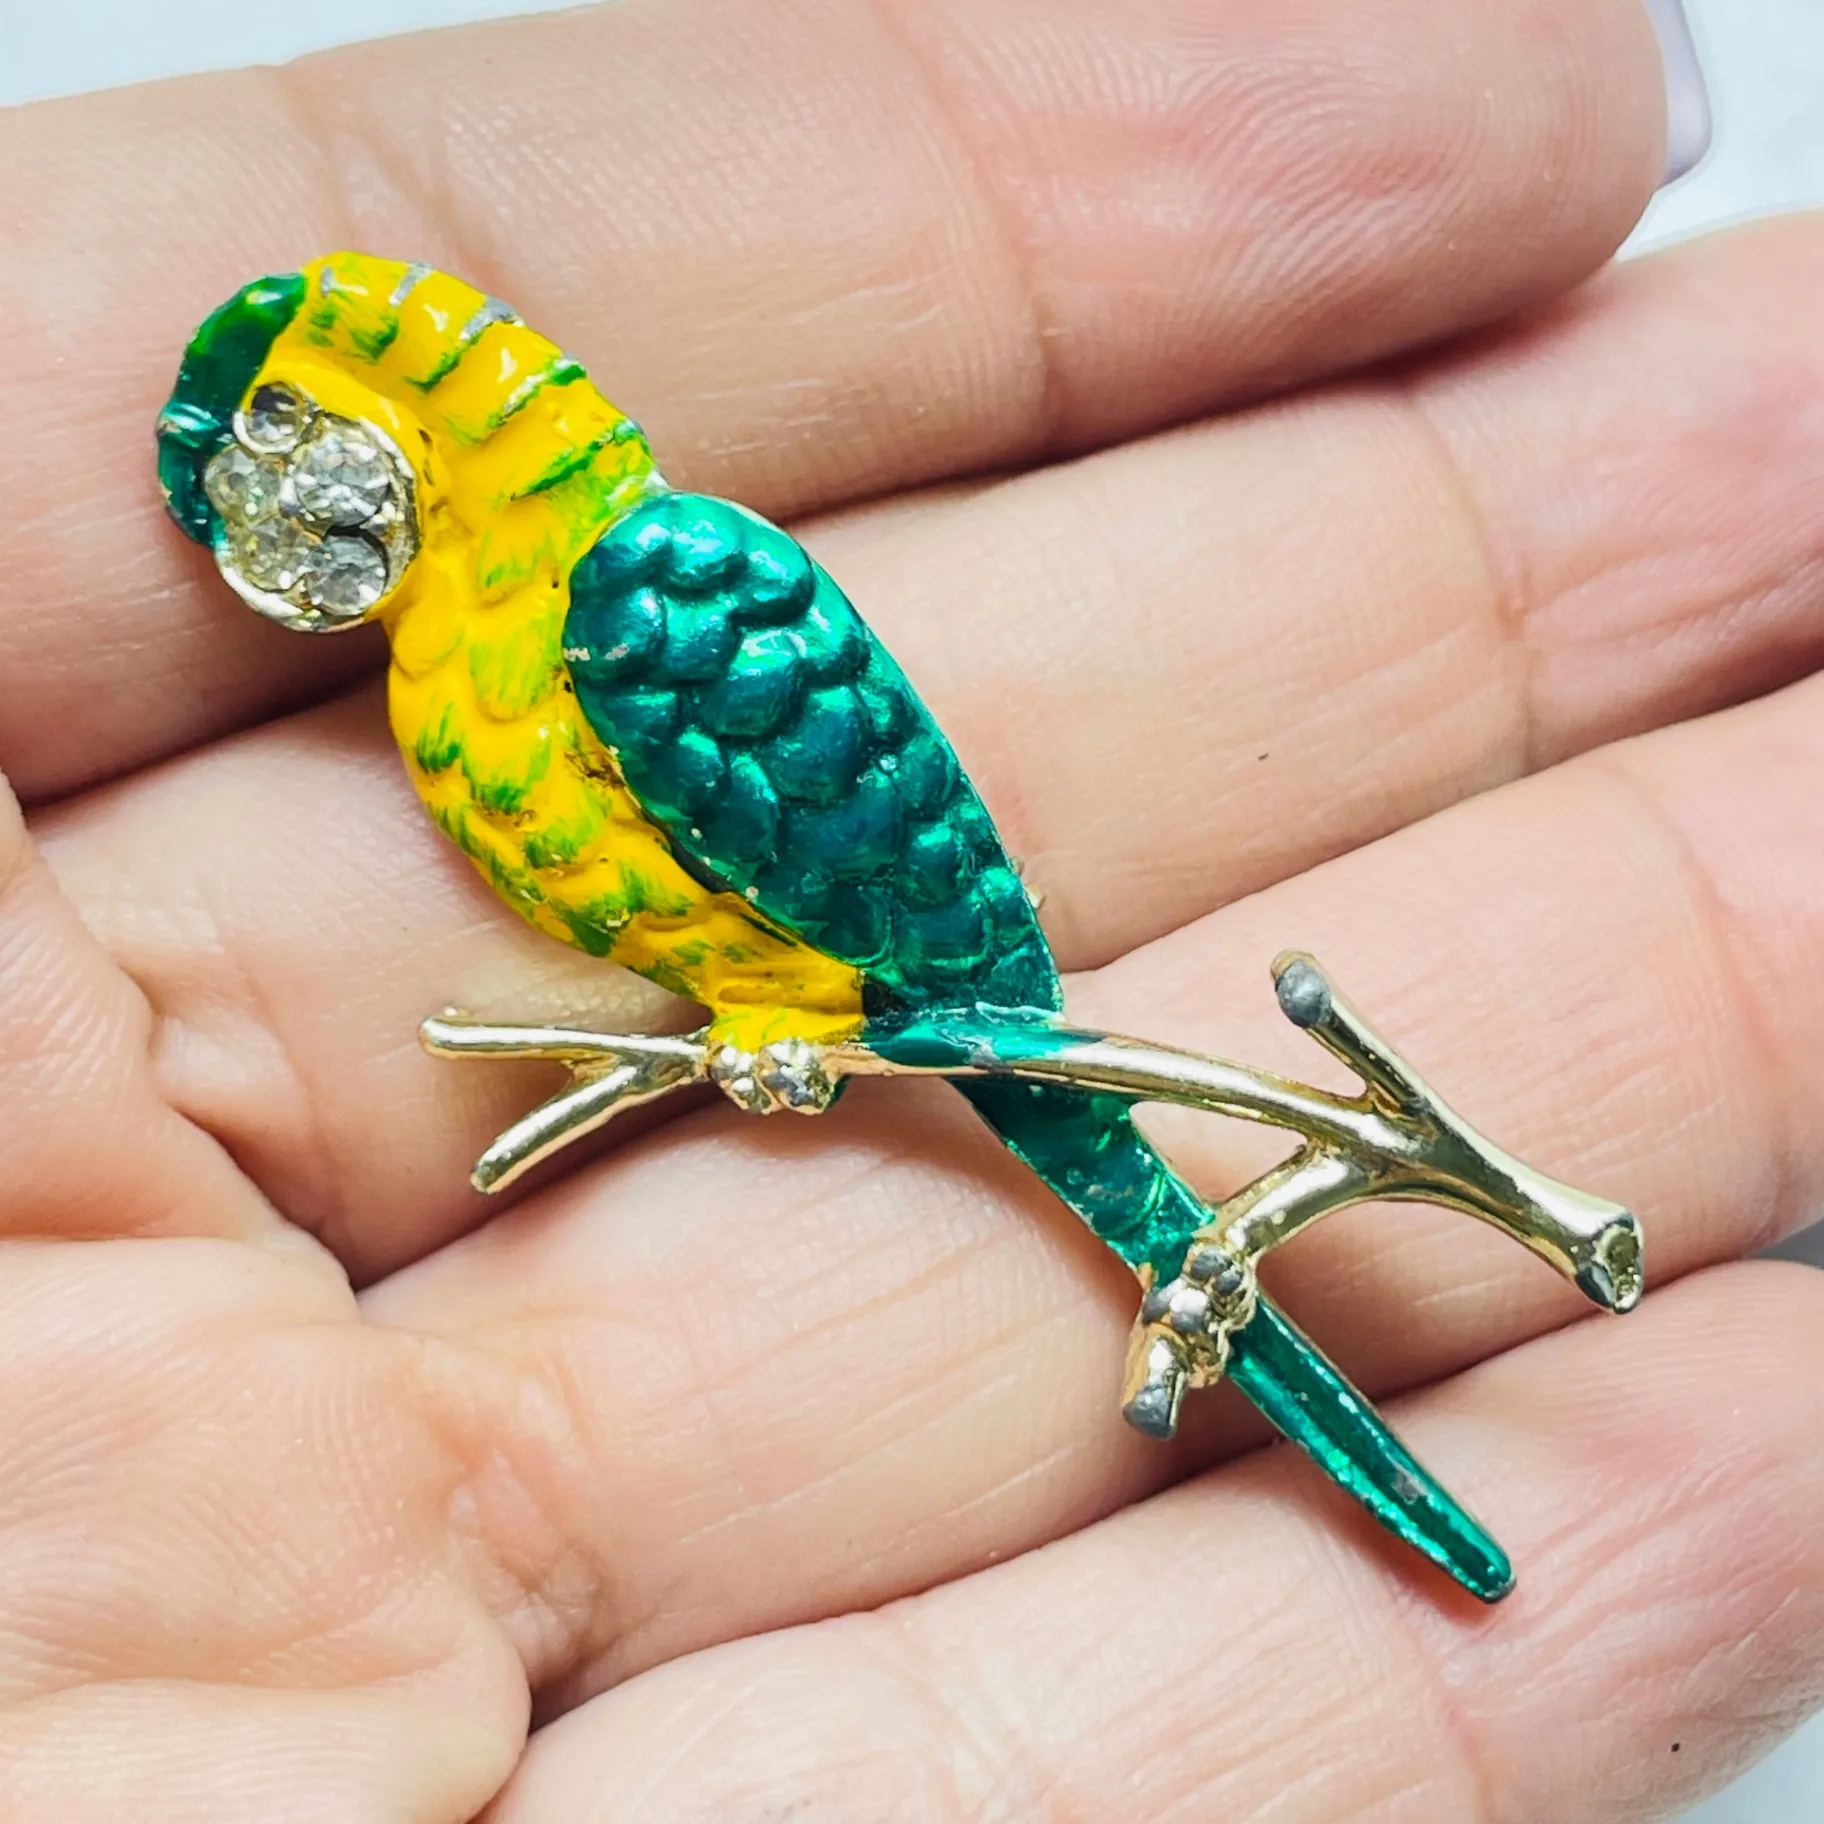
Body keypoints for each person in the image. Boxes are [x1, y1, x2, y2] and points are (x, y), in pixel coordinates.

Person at [0, 1, 1818, 1817]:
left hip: (915, 970)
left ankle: (1403, 1460)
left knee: (1156, 1218)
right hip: (791, 1005)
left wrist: (865, 1011)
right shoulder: (438, 680)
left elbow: (818, 850)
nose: (294, 540)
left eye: (286, 465)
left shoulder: (655, 585)